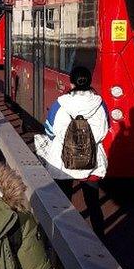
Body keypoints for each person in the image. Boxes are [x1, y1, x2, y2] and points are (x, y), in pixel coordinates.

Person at [34, 66, 109, 236]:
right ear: (89, 81)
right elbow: (105, 129)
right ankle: (101, 240)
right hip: (92, 162)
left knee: (62, 204)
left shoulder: (60, 103)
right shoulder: (100, 104)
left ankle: (64, 237)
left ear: (71, 82)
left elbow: (50, 130)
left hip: (62, 163)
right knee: (93, 203)